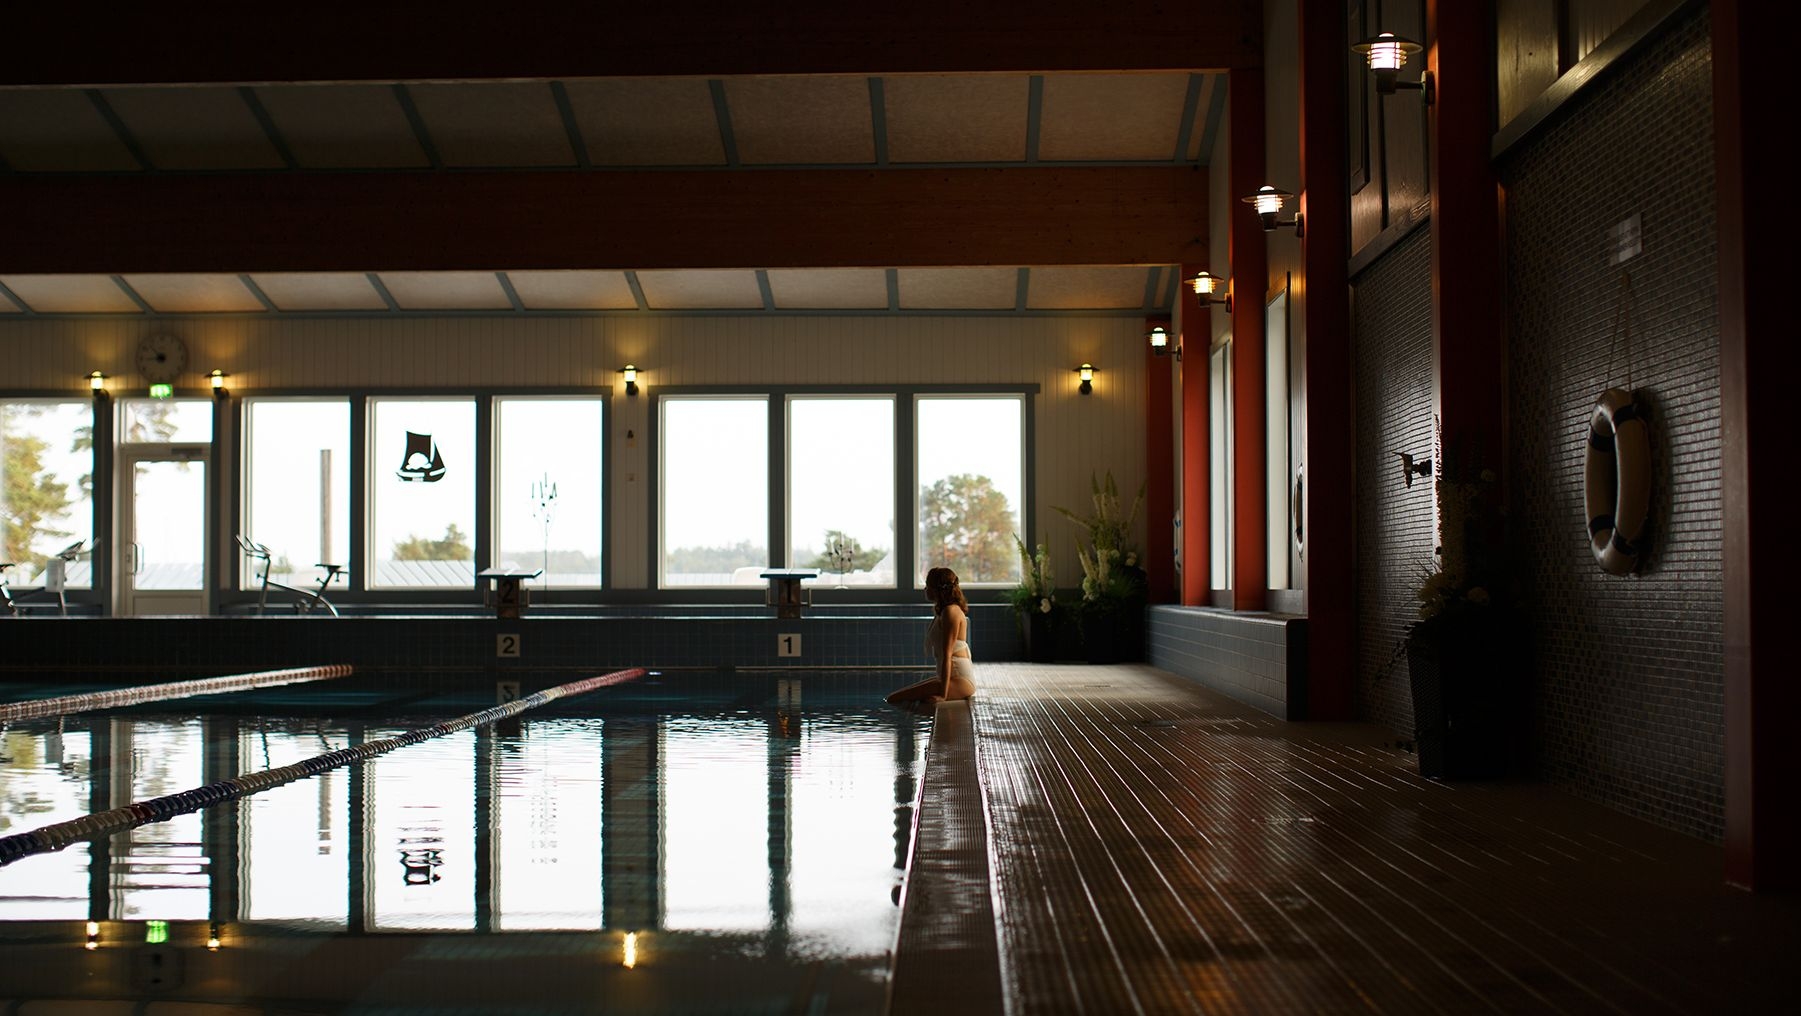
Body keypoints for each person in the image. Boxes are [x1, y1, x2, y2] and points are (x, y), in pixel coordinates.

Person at [886, 566, 977, 707]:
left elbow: (947, 655)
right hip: (951, 679)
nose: (925, 589)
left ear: (937, 589)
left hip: (961, 681)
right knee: (895, 697)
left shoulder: (951, 612)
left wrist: (943, 695)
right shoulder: (944, 611)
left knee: (894, 699)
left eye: (927, 585)